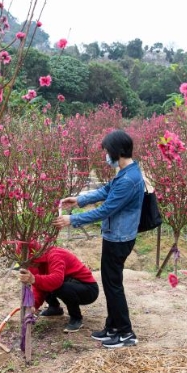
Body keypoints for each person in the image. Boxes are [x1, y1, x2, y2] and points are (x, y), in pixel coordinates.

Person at [53, 129, 144, 348]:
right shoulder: (125, 173)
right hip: (115, 236)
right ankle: (112, 327)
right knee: (111, 282)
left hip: (119, 239)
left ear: (117, 151)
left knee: (113, 286)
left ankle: (125, 333)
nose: (106, 156)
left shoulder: (128, 180)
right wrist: (79, 200)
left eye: (107, 151)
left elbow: (106, 210)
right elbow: (105, 191)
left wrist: (72, 220)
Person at [17, 246, 99, 333]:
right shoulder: (34, 264)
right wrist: (34, 305)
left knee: (59, 286)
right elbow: (38, 286)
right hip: (69, 284)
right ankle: (54, 308)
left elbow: (56, 280)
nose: (31, 265)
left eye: (31, 261)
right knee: (43, 281)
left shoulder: (55, 254)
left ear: (36, 255)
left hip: (88, 289)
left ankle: (76, 318)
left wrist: (34, 279)